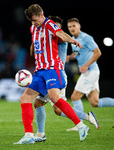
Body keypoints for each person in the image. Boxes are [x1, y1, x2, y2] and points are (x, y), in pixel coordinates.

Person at [14, 4, 89, 145]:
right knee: (25, 98)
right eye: (31, 21)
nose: (34, 23)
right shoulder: (33, 28)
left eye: (35, 20)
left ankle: (81, 125)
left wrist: (72, 40)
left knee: (55, 99)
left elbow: (60, 34)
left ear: (41, 15)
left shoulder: (49, 25)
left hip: (52, 69)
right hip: (39, 71)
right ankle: (29, 135)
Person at [33, 16, 99, 142]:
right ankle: (86, 117)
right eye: (53, 26)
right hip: (50, 73)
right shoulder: (46, 36)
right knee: (56, 109)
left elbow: (61, 37)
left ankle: (41, 134)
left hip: (56, 74)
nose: (54, 29)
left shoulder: (60, 37)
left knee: (40, 103)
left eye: (57, 27)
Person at [66, 18, 114, 131]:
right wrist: (70, 57)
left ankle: (80, 124)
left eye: (74, 26)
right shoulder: (73, 40)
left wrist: (86, 65)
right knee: (94, 102)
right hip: (91, 72)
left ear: (79, 26)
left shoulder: (87, 38)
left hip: (90, 71)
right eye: (69, 27)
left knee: (74, 97)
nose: (72, 28)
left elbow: (98, 52)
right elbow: (78, 52)